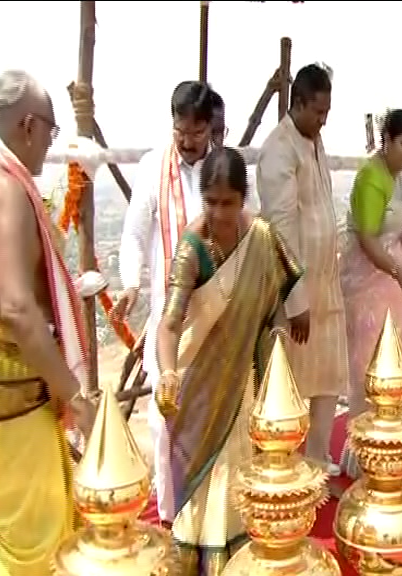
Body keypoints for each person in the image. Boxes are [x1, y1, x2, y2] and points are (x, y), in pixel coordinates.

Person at [154, 146, 303, 574]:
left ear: (243, 199)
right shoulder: (193, 247)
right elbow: (170, 323)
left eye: (229, 203)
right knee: (206, 475)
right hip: (198, 378)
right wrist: (166, 373)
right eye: (211, 202)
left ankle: (237, 555)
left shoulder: (260, 236)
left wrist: (277, 338)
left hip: (246, 377)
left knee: (237, 465)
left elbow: (276, 301)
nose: (219, 213)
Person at [0, 69, 96, 575]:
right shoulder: (6, 193)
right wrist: (75, 397)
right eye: (51, 129)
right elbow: (21, 311)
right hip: (10, 394)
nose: (50, 144)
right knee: (37, 551)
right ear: (28, 125)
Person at [112, 80, 215, 528]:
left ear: (210, 127)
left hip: (216, 315)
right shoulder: (154, 166)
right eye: (180, 132)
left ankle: (212, 508)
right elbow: (135, 234)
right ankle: (173, 514)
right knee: (164, 417)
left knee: (213, 411)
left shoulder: (223, 169)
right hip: (168, 315)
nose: (188, 142)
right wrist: (131, 284)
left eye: (196, 133)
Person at [256, 64, 348, 477]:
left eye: (327, 113)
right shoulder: (280, 149)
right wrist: (296, 299)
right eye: (317, 112)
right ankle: (286, 470)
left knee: (327, 376)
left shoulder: (314, 140)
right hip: (296, 293)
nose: (323, 121)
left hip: (326, 283)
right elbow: (281, 229)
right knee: (289, 381)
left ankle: (316, 458)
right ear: (298, 104)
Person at [339, 109, 402, 479]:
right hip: (371, 287)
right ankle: (371, 451)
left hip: (396, 285)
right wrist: (397, 269)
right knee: (372, 365)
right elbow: (367, 239)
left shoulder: (400, 176)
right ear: (386, 141)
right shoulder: (372, 178)